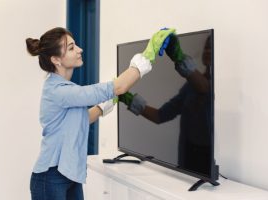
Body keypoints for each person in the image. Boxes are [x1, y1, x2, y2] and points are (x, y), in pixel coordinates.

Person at [26, 27, 175, 200]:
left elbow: (79, 121)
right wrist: (149, 53)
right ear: (56, 59)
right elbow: (119, 86)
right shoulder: (58, 91)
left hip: (69, 174)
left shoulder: (65, 89)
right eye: (72, 48)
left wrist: (107, 104)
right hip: (50, 178)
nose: (80, 50)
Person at [119, 34, 212, 175]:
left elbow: (204, 88)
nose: (207, 51)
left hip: (206, 161)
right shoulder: (188, 88)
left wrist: (178, 58)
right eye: (206, 47)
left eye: (211, 48)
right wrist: (127, 98)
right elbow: (160, 116)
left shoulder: (217, 86)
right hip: (187, 158)